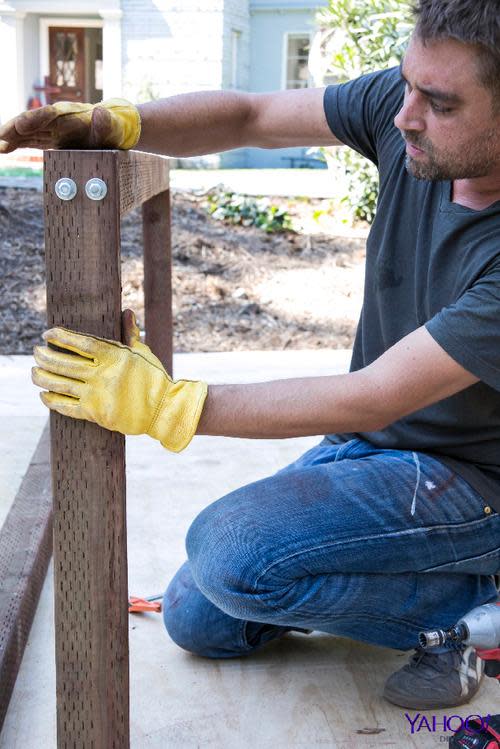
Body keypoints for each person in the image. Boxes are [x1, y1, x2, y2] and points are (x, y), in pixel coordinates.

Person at [2, 0, 499, 710]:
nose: (403, 114)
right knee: (199, 616)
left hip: (473, 483)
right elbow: (251, 115)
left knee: (232, 552)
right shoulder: (408, 108)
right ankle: (429, 586)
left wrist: (169, 405)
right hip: (376, 447)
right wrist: (122, 123)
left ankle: (466, 613)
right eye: (408, 82)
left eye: (440, 103)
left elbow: (374, 393)